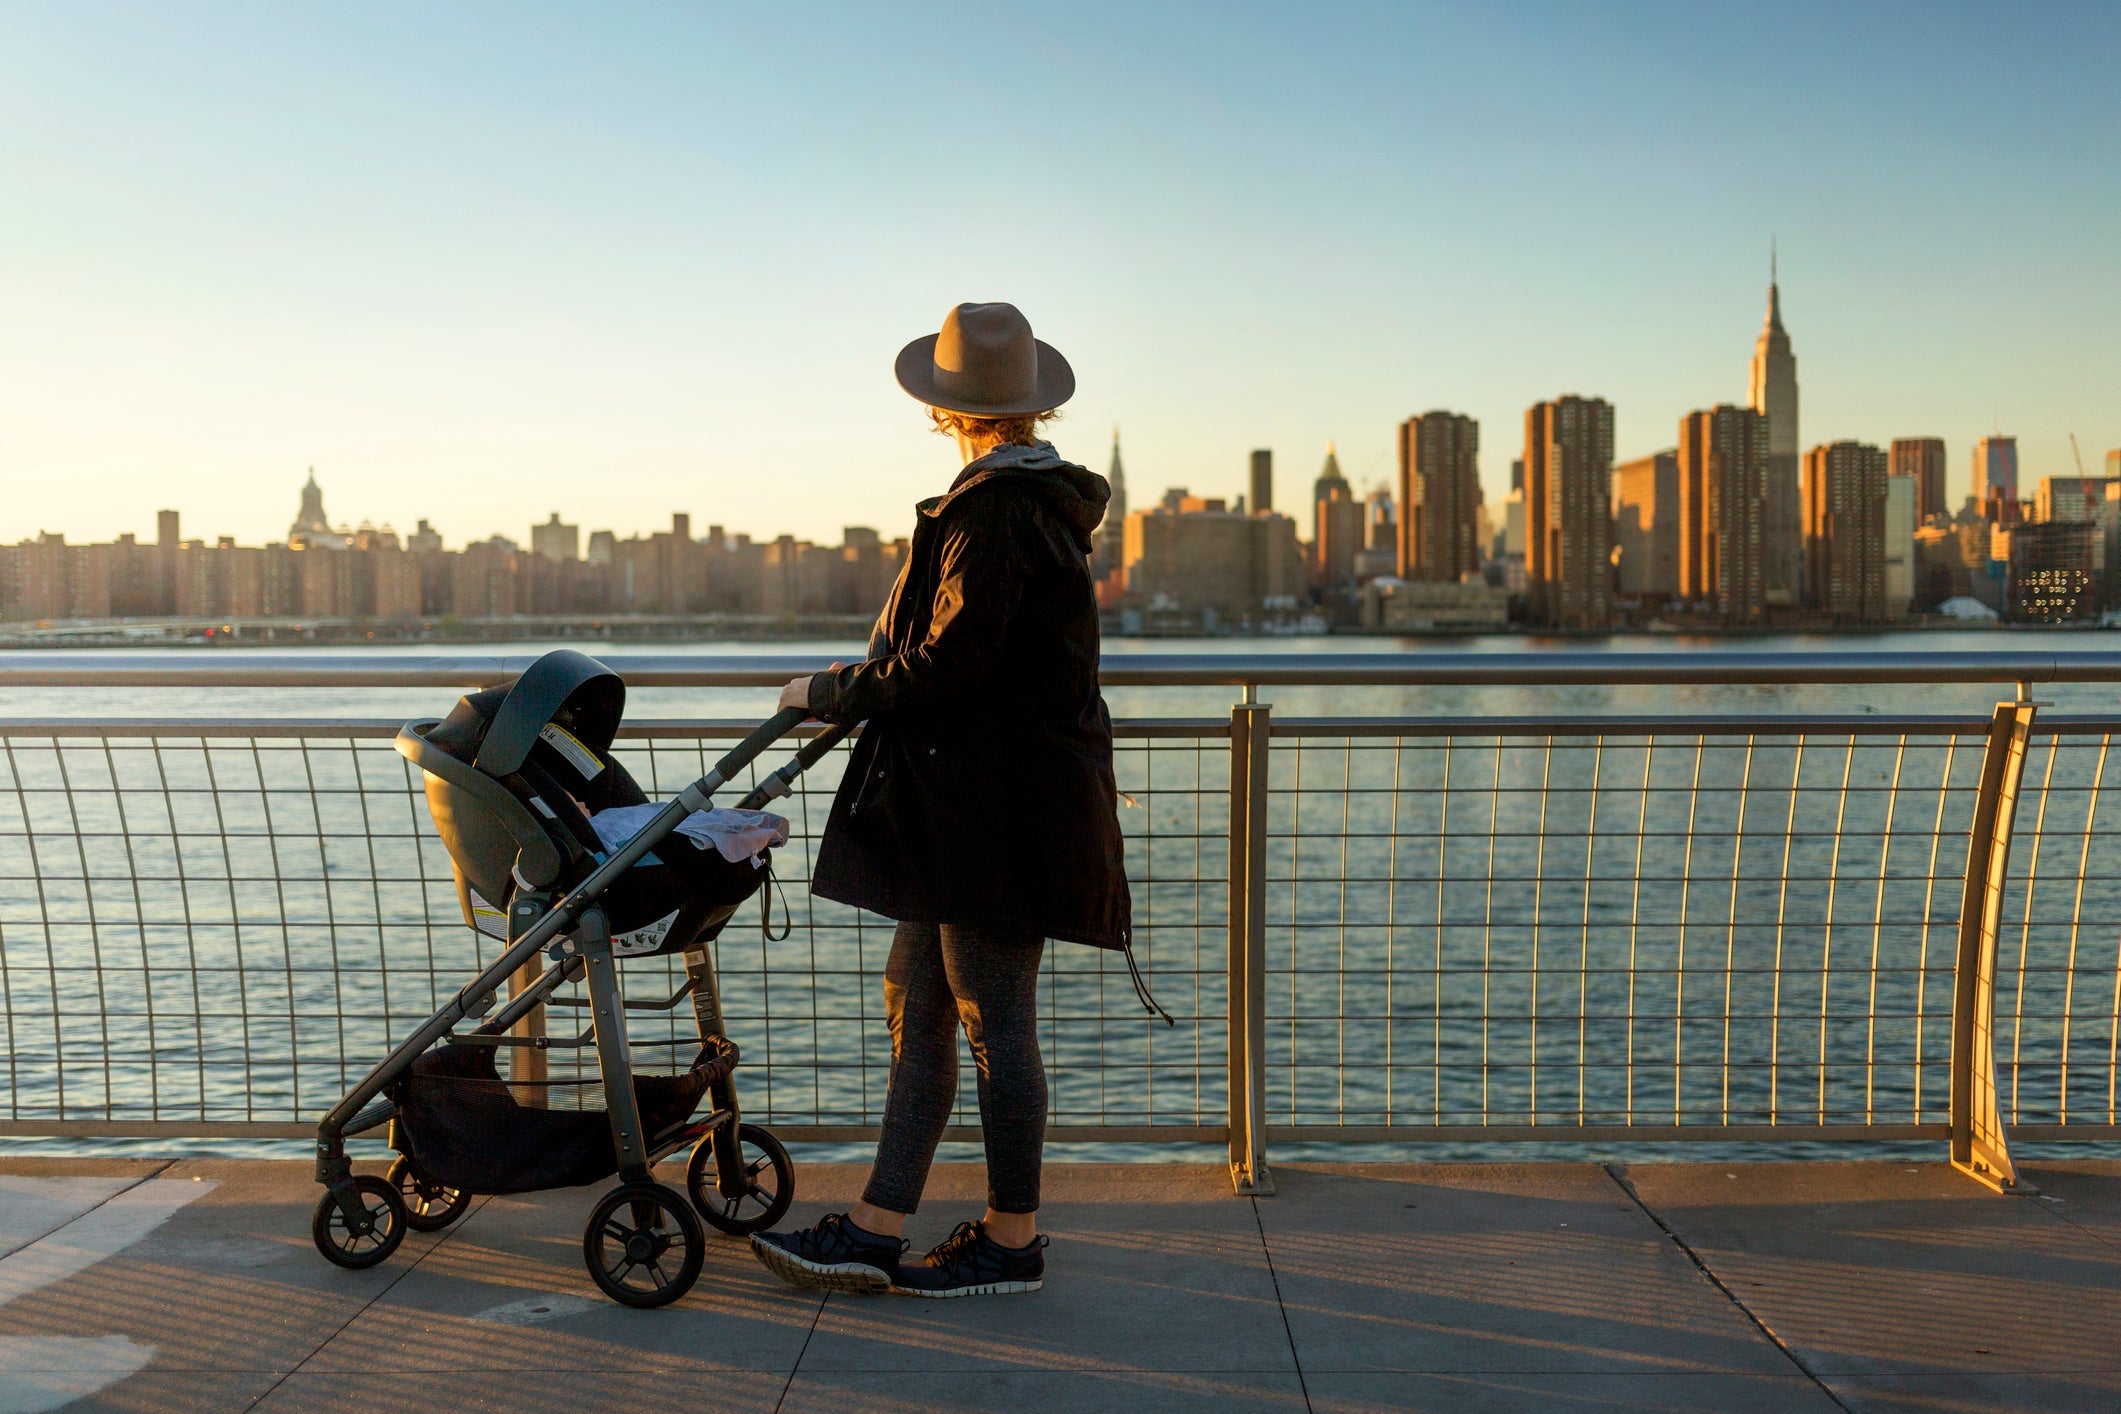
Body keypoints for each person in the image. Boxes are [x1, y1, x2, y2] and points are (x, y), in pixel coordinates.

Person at [749, 302, 1137, 1298]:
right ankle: (879, 1224)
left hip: (997, 818)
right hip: (979, 812)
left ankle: (1012, 1242)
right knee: (921, 1005)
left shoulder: (998, 514)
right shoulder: (1016, 505)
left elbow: (951, 664)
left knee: (991, 1021)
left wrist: (828, 691)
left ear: (942, 408)